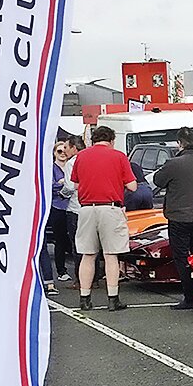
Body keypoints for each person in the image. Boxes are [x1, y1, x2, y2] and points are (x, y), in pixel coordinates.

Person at [70, 126, 135, 309]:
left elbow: (75, 185)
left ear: (93, 140)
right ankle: (113, 299)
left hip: (86, 209)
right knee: (111, 255)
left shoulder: (81, 156)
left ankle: (84, 298)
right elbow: (132, 186)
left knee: (87, 255)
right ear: (112, 140)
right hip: (110, 208)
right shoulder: (118, 156)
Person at [152, 129, 193, 309]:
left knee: (182, 257)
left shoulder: (174, 163)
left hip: (179, 217)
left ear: (180, 143)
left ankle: (190, 296)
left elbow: (158, 180)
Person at [48, 141, 77, 280]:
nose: (62, 154)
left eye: (64, 150)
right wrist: (60, 186)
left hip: (74, 207)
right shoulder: (51, 168)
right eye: (59, 151)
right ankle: (61, 271)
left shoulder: (72, 166)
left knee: (75, 240)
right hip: (58, 206)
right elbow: (50, 186)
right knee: (59, 239)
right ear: (54, 153)